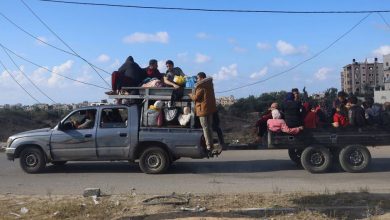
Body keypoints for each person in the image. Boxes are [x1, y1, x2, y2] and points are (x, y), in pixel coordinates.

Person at [189, 72, 218, 152]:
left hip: (203, 110)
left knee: (205, 128)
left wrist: (190, 94)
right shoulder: (209, 84)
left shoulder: (201, 86)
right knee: (209, 127)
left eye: (197, 78)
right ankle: (212, 145)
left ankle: (208, 145)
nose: (197, 80)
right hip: (210, 109)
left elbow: (196, 98)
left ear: (201, 78)